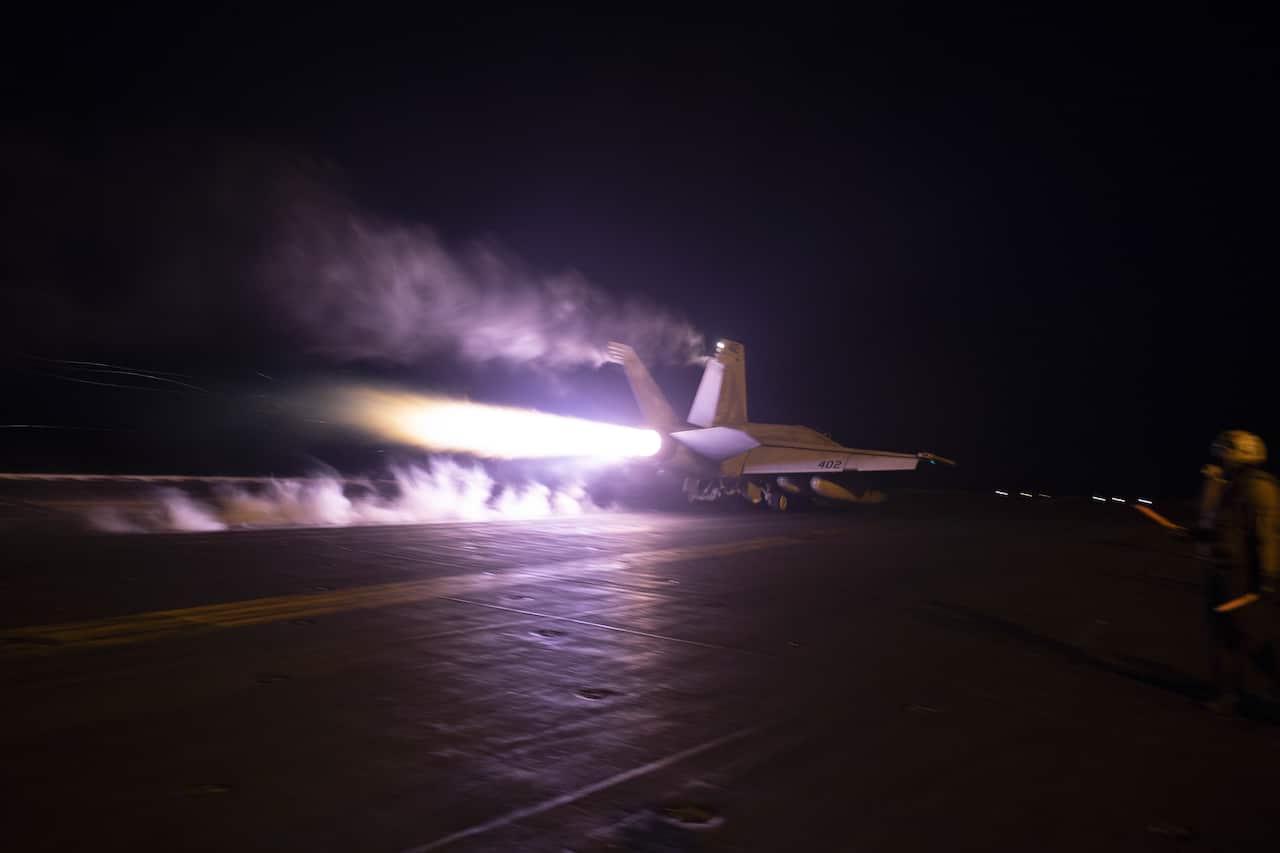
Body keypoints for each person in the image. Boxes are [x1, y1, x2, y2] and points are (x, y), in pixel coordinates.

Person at [1195, 430, 1279, 712]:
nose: (1222, 459)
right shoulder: (1231, 485)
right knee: (1225, 636)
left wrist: (1266, 577)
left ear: (1240, 453)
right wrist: (1191, 534)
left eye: (1225, 453)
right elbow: (1222, 528)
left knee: (1249, 638)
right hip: (1222, 572)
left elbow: (1266, 535)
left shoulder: (1259, 487)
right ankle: (1229, 695)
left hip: (1241, 577)